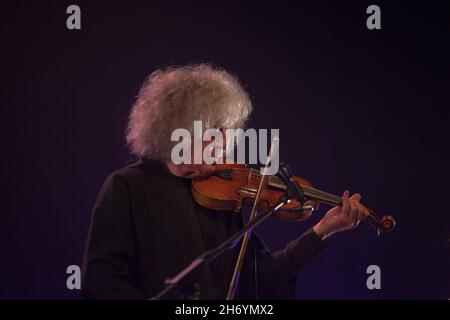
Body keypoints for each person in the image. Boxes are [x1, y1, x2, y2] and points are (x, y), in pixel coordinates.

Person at [81, 64, 369, 299]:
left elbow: (263, 277)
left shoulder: (220, 195)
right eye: (214, 130)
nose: (225, 142)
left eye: (228, 131)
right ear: (176, 129)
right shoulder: (127, 187)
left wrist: (323, 230)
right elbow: (102, 281)